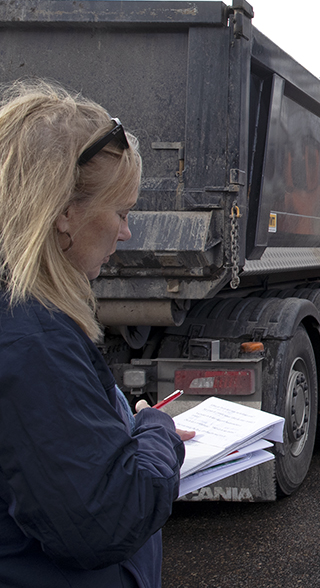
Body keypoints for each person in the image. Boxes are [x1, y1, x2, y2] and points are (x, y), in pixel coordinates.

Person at [0, 79, 188, 588]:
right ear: (64, 213)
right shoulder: (31, 338)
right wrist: (156, 432)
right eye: (121, 213)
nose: (126, 233)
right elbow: (104, 520)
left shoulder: (27, 317)